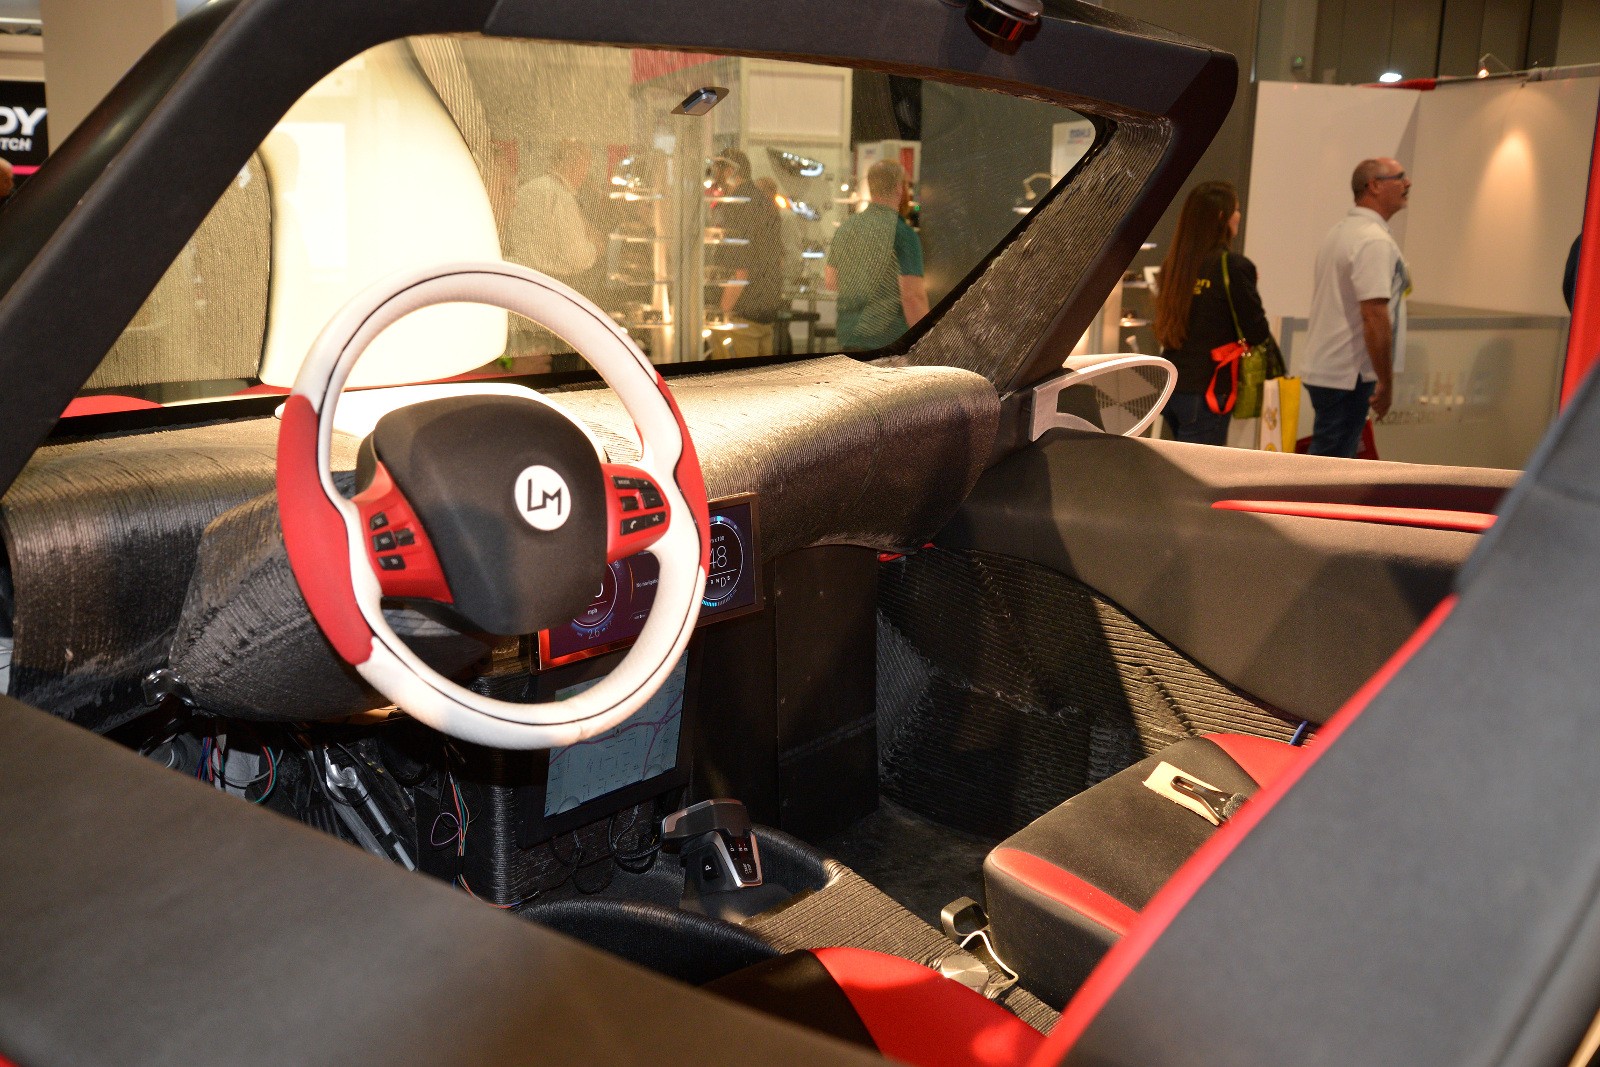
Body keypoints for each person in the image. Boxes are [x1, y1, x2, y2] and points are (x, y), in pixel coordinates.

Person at [1300, 157, 1412, 457]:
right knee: (1331, 470)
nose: (1408, 183)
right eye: (1400, 176)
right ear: (1374, 186)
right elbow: (1374, 315)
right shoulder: (1372, 240)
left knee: (1328, 461)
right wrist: (1385, 381)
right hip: (1349, 374)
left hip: (1330, 367)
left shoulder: (1341, 231)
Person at [1153, 180, 1277, 446]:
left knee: (1182, 464)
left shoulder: (1174, 267)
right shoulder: (1233, 266)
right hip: (1207, 390)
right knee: (1199, 469)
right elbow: (1257, 332)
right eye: (1236, 209)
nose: (1239, 216)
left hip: (1172, 387)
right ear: (1222, 216)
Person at [826, 160, 928, 351]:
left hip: (848, 338)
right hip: (889, 341)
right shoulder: (903, 234)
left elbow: (831, 280)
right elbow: (912, 296)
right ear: (899, 188)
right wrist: (928, 341)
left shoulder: (846, 228)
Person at [708, 148, 783, 359]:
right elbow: (777, 259)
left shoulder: (737, 205)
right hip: (766, 314)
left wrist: (721, 312)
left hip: (740, 318)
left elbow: (740, 269)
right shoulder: (766, 202)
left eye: (717, 172)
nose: (715, 180)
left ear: (730, 171)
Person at [517, 139, 598, 280]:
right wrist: (595, 247)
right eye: (585, 167)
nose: (584, 176)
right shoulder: (562, 198)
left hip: (519, 275)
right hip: (550, 280)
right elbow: (576, 257)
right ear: (573, 164)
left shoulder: (527, 189)